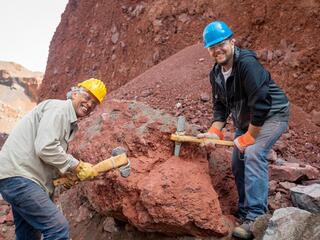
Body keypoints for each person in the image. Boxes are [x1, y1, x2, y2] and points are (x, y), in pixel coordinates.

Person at [199, 21, 290, 239]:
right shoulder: (216, 74)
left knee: (253, 152)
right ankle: (245, 210)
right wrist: (214, 132)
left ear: (232, 41)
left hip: (272, 115)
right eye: (212, 47)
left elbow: (262, 103)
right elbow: (220, 109)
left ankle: (257, 219)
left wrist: (250, 137)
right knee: (237, 163)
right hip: (247, 120)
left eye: (221, 44)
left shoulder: (247, 64)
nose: (217, 50)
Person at [0, 78, 107, 240]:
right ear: (75, 93)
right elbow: (45, 147)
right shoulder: (60, 109)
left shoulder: (67, 119)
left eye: (94, 102)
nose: (90, 103)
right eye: (87, 96)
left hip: (17, 177)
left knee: (28, 236)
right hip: (21, 178)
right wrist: (76, 166)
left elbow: (47, 153)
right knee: (57, 228)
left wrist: (64, 175)